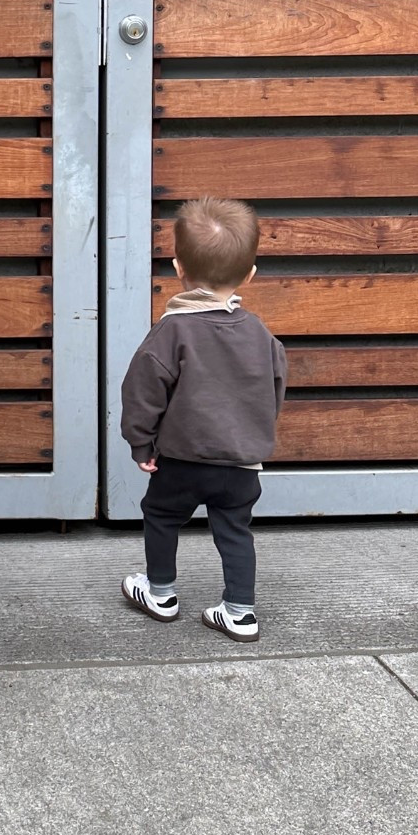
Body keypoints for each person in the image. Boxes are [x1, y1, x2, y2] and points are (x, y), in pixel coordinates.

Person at [118, 196, 287, 644]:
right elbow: (274, 389)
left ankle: (161, 594)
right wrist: (254, 435)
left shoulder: (172, 331)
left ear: (178, 268)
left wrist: (142, 443)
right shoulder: (261, 335)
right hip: (239, 466)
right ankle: (240, 612)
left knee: (160, 514)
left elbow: (142, 392)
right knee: (235, 530)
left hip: (183, 462)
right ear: (250, 274)